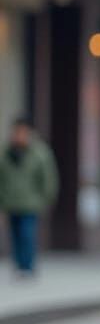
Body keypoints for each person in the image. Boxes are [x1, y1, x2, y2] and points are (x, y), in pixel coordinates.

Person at [0, 117, 59, 277]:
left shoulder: (39, 152)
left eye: (22, 132)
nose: (19, 135)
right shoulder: (6, 153)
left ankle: (27, 266)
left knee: (27, 234)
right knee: (15, 235)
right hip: (11, 202)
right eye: (16, 132)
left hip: (31, 202)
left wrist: (46, 198)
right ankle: (19, 265)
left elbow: (48, 178)